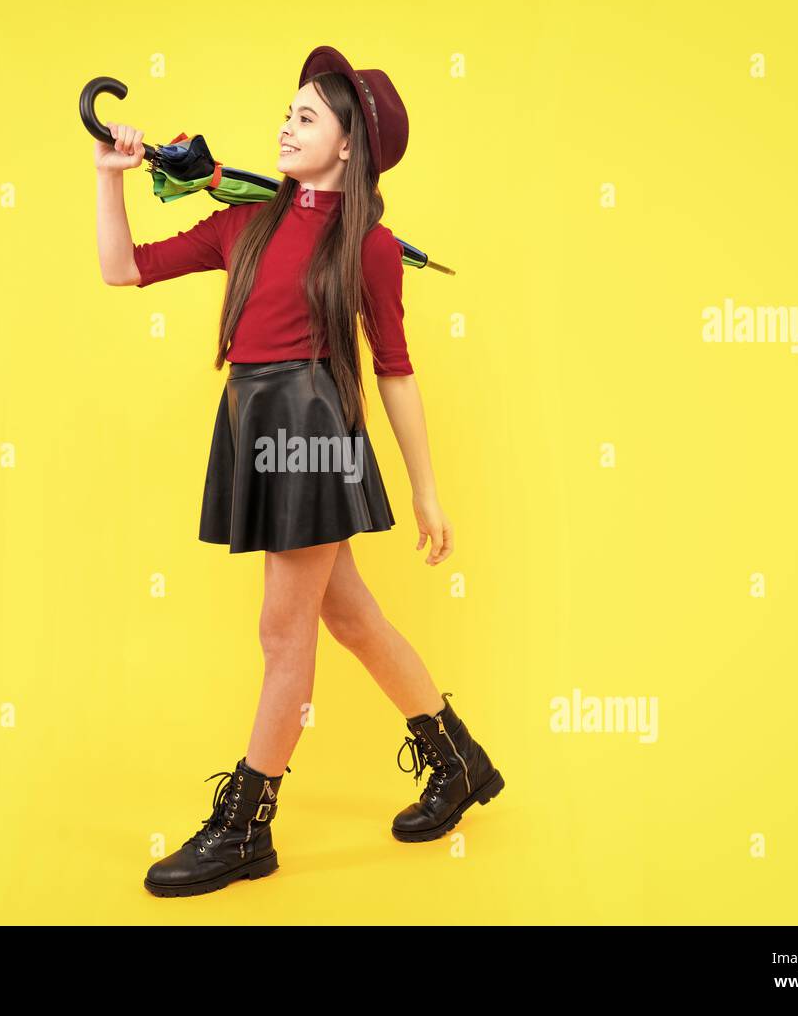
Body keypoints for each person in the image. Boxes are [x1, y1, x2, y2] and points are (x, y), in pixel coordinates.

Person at [95, 45, 504, 898]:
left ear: (350, 147)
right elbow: (123, 266)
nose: (287, 125)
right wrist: (111, 176)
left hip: (313, 432)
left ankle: (246, 825)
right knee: (350, 618)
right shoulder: (244, 219)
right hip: (254, 422)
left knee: (285, 634)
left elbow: (394, 368)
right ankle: (457, 758)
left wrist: (427, 489)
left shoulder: (372, 248)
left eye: (308, 116)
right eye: (287, 112)